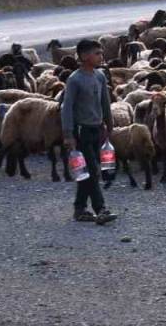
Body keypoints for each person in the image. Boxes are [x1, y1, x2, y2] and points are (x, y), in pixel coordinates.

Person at [61, 39, 117, 225]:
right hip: (81, 131)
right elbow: (67, 107)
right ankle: (101, 209)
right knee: (92, 170)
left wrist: (109, 125)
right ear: (84, 56)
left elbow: (105, 103)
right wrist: (68, 134)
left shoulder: (100, 76)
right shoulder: (75, 79)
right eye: (97, 53)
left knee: (87, 172)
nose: (101, 56)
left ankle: (80, 209)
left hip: (97, 129)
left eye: (101, 53)